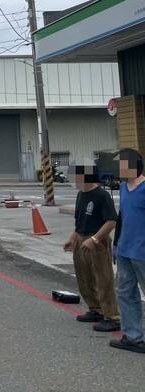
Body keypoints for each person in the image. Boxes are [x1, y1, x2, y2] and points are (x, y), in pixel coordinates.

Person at [62, 164, 120, 332]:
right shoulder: (81, 195)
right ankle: (95, 309)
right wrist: (72, 239)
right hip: (81, 238)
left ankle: (112, 317)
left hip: (97, 241)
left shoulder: (101, 195)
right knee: (84, 277)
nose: (73, 182)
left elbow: (111, 221)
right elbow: (78, 221)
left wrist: (95, 239)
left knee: (103, 279)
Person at [110, 148, 145, 353]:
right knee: (126, 294)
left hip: (142, 252)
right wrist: (116, 244)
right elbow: (122, 217)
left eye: (124, 165)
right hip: (125, 251)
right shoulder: (123, 187)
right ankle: (133, 337)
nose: (121, 169)